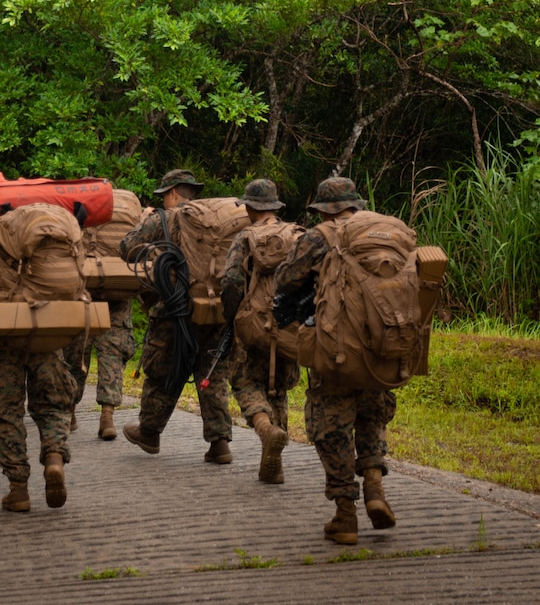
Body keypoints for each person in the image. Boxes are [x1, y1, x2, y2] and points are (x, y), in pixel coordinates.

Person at [273, 175, 398, 545]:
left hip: (337, 348)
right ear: (355, 205)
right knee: (371, 415)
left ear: (325, 210)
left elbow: (285, 279)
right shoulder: (385, 231)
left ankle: (345, 514)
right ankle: (375, 485)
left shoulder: (320, 236)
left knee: (331, 426)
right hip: (381, 348)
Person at [120, 168, 235, 463]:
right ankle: (220, 443)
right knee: (212, 374)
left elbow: (127, 248)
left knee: (163, 371)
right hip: (217, 309)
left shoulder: (167, 218)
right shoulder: (217, 222)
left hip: (176, 311)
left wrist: (146, 220)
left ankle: (149, 432)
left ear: (172, 192)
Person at [0, 236, 76, 512]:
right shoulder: (57, 246)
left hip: (3, 340)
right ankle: (53, 457)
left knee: (3, 410)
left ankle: (19, 489)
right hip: (48, 335)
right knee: (54, 403)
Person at [221, 178, 301, 484]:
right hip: (289, 325)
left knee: (244, 381)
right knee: (278, 387)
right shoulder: (297, 235)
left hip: (253, 325)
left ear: (251, 207)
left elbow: (230, 282)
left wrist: (233, 316)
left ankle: (266, 428)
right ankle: (275, 464)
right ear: (275, 206)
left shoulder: (245, 237)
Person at [62, 298, 136, 440]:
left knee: (76, 354)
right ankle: (107, 417)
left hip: (82, 300)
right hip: (115, 303)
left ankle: (69, 410)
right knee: (111, 356)